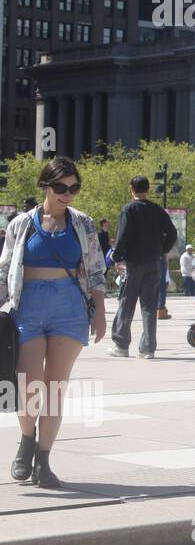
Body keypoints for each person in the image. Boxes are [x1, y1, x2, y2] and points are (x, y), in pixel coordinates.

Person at [0, 157, 108, 488]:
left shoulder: (84, 224)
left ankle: (43, 460)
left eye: (74, 188)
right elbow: (4, 269)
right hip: (28, 305)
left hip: (69, 307)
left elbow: (95, 271)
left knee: (56, 388)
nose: (68, 194)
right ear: (46, 186)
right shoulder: (22, 223)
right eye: (61, 187)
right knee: (30, 386)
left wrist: (100, 313)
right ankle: (26, 441)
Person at [109, 175, 177, 359]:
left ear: (132, 189)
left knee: (126, 302)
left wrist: (116, 256)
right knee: (149, 305)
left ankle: (121, 345)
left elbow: (122, 237)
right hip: (154, 262)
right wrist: (162, 250)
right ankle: (148, 348)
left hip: (133, 263)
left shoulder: (129, 209)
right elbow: (172, 232)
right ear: (147, 189)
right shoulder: (156, 209)